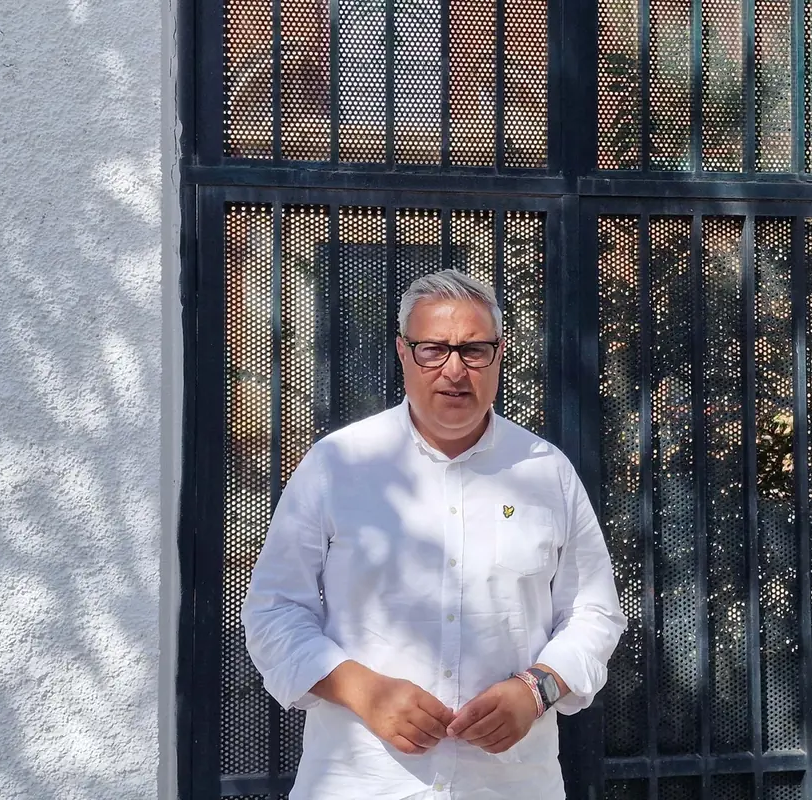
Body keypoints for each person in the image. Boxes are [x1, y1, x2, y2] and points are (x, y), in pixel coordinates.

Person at [242, 269, 627, 799]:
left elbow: (595, 611)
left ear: (499, 353)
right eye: (432, 349)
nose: (454, 369)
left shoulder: (546, 472)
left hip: (509, 784)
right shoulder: (338, 465)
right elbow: (273, 611)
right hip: (363, 782)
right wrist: (362, 690)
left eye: (473, 350)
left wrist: (536, 689)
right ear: (403, 353)